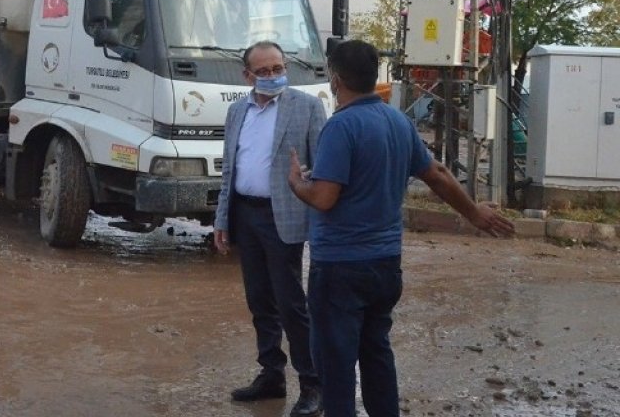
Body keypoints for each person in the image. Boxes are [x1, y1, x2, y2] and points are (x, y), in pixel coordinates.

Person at [287, 39, 516, 417]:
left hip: (340, 268)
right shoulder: (398, 121)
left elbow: (325, 197)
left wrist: (297, 182)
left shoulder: (340, 127)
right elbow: (438, 174)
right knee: (377, 354)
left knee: (335, 366)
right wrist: (473, 213)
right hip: (385, 265)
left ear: (335, 77)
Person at [214, 40, 326, 417]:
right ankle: (271, 374)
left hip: (284, 216)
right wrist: (221, 220)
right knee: (259, 299)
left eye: (278, 68)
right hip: (246, 215)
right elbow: (230, 169)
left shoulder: (307, 107)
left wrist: (308, 179)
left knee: (291, 303)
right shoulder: (236, 111)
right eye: (264, 71)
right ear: (247, 76)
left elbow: (323, 166)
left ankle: (312, 384)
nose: (274, 76)